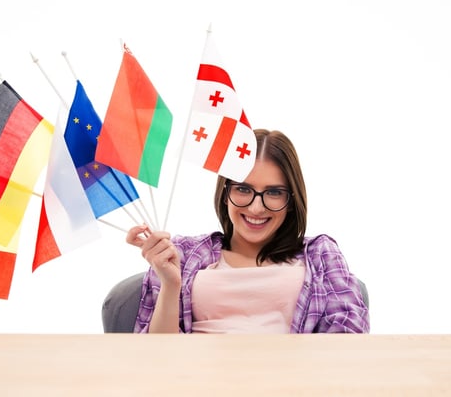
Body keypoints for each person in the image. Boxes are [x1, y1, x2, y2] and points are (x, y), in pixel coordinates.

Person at [126, 129, 370, 333]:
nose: (256, 207)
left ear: (292, 200)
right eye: (243, 189)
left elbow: (349, 340)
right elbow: (157, 359)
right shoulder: (181, 254)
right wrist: (170, 284)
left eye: (274, 193)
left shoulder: (320, 255)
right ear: (225, 193)